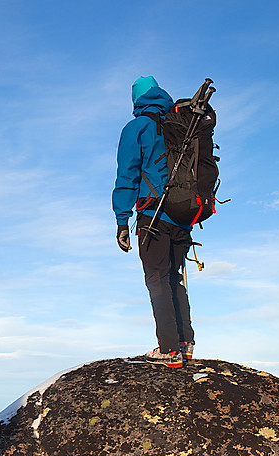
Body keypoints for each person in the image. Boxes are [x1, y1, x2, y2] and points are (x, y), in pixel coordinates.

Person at [113, 75, 195, 368]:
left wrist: (122, 220)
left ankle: (169, 349)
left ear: (137, 99)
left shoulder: (138, 127)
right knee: (174, 276)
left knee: (157, 277)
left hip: (153, 213)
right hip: (184, 215)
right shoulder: (182, 127)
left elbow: (128, 175)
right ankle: (184, 343)